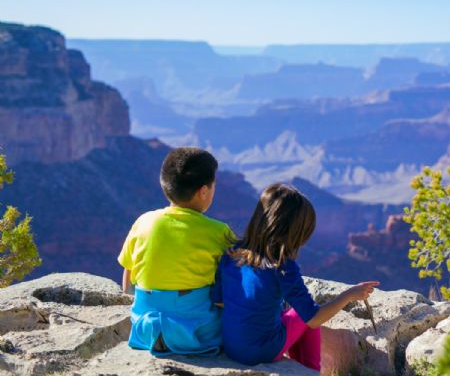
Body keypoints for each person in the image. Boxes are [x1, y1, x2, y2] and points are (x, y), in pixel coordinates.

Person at [212, 183, 379, 371]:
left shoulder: (231, 254)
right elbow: (313, 318)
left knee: (290, 314)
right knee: (304, 313)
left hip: (232, 347)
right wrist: (349, 294)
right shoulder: (282, 266)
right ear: (294, 231)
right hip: (262, 351)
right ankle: (311, 371)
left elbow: (220, 302)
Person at [117, 147, 236, 356]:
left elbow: (128, 277)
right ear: (204, 191)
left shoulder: (144, 222)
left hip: (145, 331)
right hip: (198, 334)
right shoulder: (219, 231)